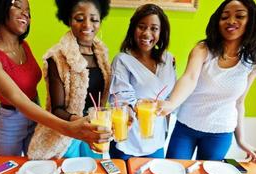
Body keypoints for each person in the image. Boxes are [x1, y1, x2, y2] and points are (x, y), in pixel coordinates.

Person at [0, 0, 111, 156]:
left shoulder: (23, 46)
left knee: (35, 165)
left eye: (28, 10)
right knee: (9, 169)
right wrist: (70, 127)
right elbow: (18, 98)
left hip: (36, 116)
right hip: (11, 120)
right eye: (18, 6)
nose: (25, 13)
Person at [158, 0, 256, 161]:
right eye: (225, 17)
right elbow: (190, 78)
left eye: (240, 16)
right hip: (186, 126)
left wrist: (241, 140)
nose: (231, 21)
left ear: (251, 21)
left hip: (221, 132)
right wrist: (171, 103)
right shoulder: (203, 49)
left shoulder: (251, 61)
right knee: (174, 171)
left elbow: (239, 102)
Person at [27, 0, 112, 159]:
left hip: (94, 129)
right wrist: (81, 123)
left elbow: (102, 102)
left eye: (94, 19)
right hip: (67, 132)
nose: (87, 25)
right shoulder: (57, 57)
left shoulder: (102, 55)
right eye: (79, 19)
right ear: (68, 19)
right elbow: (57, 109)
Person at [108, 4, 176, 160]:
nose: (147, 33)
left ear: (161, 32)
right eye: (142, 27)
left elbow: (170, 97)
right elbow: (121, 99)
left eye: (154, 28)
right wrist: (137, 108)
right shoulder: (122, 59)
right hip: (128, 138)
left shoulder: (168, 59)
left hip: (156, 138)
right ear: (133, 29)